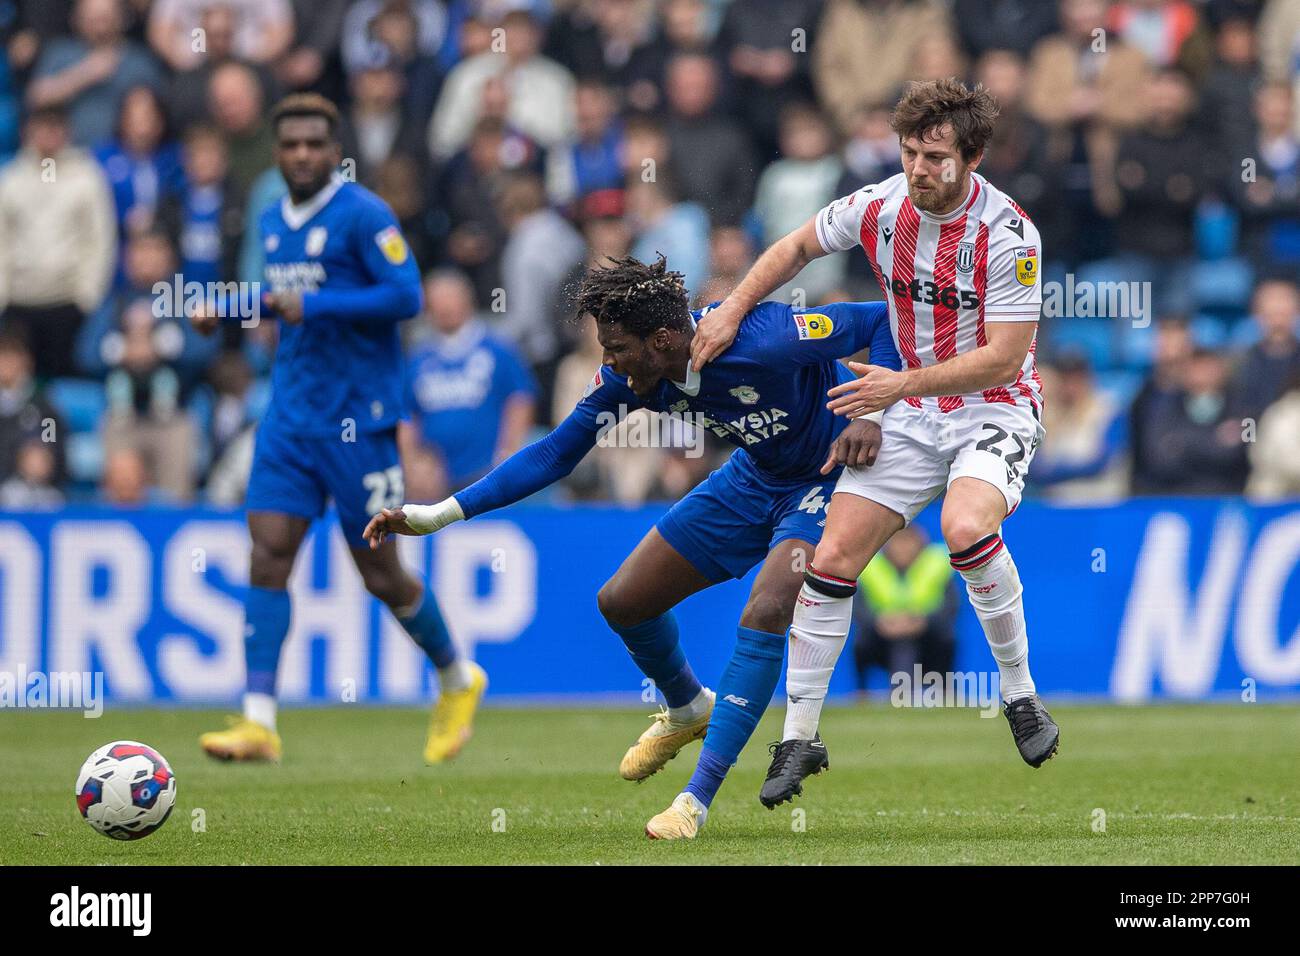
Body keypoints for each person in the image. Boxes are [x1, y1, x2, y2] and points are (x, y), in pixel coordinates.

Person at [364, 254, 899, 840]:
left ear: (664, 339)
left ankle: (695, 802)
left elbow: (880, 319)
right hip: (755, 477)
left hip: (830, 475)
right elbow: (554, 454)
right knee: (623, 601)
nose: (608, 360)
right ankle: (689, 707)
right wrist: (438, 515)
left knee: (768, 605)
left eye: (616, 347)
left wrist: (873, 412)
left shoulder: (762, 337)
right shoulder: (629, 380)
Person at [691, 78, 1061, 807]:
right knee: (828, 560)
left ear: (973, 158)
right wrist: (735, 308)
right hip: (913, 412)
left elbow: (1005, 356)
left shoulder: (1010, 235)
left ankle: (1020, 696)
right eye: (909, 152)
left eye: (934, 157)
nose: (918, 169)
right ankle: (800, 737)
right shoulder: (880, 205)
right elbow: (797, 245)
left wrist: (894, 388)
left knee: (962, 528)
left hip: (992, 407)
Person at [190, 94, 484, 765]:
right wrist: (232, 306)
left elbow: (405, 296)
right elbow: (282, 299)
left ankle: (457, 678)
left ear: (334, 151)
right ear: (277, 151)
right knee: (268, 550)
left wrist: (310, 303)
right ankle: (259, 720)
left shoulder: (365, 214)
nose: (301, 155)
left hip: (359, 422)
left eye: (314, 145)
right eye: (290, 144)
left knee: (381, 575)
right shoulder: (271, 219)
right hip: (290, 416)